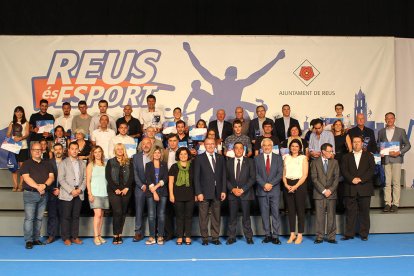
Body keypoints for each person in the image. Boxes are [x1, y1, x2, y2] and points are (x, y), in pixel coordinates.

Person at [341, 136, 375, 241]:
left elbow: (371, 170)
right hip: (350, 187)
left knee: (364, 212)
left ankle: (364, 234)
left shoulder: (369, 155)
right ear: (351, 143)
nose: (356, 144)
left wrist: (361, 179)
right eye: (354, 142)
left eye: (358, 142)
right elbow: (344, 170)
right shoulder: (346, 157)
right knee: (350, 212)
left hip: (364, 188)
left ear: (362, 143)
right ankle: (349, 234)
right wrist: (352, 179)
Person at [21, 142, 54, 249]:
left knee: (39, 218)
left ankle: (36, 239)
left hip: (44, 194)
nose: (37, 151)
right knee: (29, 218)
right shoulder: (26, 163)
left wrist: (44, 186)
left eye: (39, 149)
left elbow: (51, 177)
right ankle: (29, 240)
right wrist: (38, 187)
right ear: (31, 151)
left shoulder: (48, 163)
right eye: (35, 150)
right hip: (30, 194)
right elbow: (26, 178)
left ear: (42, 150)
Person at [194, 137, 227, 246]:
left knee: (216, 216)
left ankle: (215, 237)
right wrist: (198, 192)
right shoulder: (199, 158)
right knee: (203, 216)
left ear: (215, 145)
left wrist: (223, 190)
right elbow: (196, 177)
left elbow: (223, 175)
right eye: (208, 144)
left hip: (217, 192)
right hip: (203, 192)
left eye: (212, 144)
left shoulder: (221, 158)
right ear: (204, 145)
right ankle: (204, 238)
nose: (210, 146)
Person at [377, 112, 411, 212]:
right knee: (387, 182)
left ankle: (395, 204)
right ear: (385, 119)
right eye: (387, 118)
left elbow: (408, 145)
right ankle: (387, 203)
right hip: (386, 159)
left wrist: (399, 152)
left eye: (391, 118)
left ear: (394, 119)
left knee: (396, 182)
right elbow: (378, 144)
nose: (389, 120)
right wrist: (380, 151)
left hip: (397, 159)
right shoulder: (381, 131)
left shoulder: (401, 131)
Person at [255, 138, 283, 244]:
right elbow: (255, 174)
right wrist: (264, 184)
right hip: (262, 190)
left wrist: (270, 184)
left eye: (269, 145)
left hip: (274, 190)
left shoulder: (278, 158)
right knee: (264, 213)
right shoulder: (256, 159)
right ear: (262, 147)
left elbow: (280, 174)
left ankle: (275, 236)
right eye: (264, 145)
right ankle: (267, 234)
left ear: (272, 147)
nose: (267, 147)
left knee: (275, 213)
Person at [226, 142, 256, 245]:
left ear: (243, 150)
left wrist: (243, 189)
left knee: (246, 217)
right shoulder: (228, 162)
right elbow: (225, 179)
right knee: (232, 217)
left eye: (240, 148)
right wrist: (232, 189)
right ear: (233, 150)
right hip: (232, 194)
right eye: (236, 148)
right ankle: (231, 237)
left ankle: (248, 236)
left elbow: (252, 178)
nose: (238, 150)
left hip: (246, 193)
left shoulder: (250, 161)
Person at [58, 141, 86, 246]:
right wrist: (71, 190)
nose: (74, 151)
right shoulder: (63, 163)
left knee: (76, 216)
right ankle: (66, 237)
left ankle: (75, 236)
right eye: (72, 149)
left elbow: (85, 179)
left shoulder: (83, 163)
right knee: (66, 216)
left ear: (78, 150)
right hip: (67, 194)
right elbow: (61, 179)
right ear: (69, 150)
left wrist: (80, 189)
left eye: (76, 149)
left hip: (79, 193)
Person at [311, 143, 339, 244]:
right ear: (323, 152)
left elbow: (336, 178)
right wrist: (323, 190)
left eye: (332, 151)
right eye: (330, 151)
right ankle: (319, 237)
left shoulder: (335, 162)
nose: (331, 153)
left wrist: (330, 190)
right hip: (319, 194)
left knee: (331, 215)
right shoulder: (314, 163)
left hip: (332, 193)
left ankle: (332, 237)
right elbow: (314, 179)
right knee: (319, 216)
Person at [106, 143, 134, 245]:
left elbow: (132, 176)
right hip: (114, 191)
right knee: (117, 212)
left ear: (124, 150)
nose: (119, 150)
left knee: (123, 212)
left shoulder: (129, 161)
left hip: (126, 190)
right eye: (117, 149)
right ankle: (115, 235)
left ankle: (120, 234)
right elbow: (108, 177)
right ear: (115, 150)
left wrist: (127, 187)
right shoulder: (110, 162)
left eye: (121, 149)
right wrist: (115, 189)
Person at [282, 139, 309, 244]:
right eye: (292, 146)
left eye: (296, 146)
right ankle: (292, 234)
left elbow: (305, 175)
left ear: (300, 148)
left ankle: (300, 234)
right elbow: (283, 174)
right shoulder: (286, 158)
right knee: (291, 211)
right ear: (289, 147)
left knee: (300, 210)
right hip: (288, 185)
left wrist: (296, 186)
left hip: (300, 185)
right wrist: (286, 184)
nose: (294, 148)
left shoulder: (303, 158)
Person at [168, 147, 195, 245]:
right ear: (178, 156)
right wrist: (171, 194)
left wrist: (196, 195)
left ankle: (187, 236)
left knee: (189, 216)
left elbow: (195, 181)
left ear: (188, 156)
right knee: (179, 216)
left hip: (190, 195)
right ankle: (179, 236)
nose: (183, 156)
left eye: (185, 154)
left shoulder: (192, 166)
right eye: (181, 154)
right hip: (177, 195)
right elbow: (170, 182)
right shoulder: (174, 167)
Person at [145, 146, 169, 245]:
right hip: (151, 193)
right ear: (152, 154)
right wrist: (154, 192)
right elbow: (148, 179)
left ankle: (160, 236)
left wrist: (157, 186)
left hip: (162, 192)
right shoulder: (148, 165)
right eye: (155, 153)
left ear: (161, 154)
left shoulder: (164, 164)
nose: (157, 154)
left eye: (159, 153)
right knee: (151, 215)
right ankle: (151, 237)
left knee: (161, 215)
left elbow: (165, 178)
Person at [86, 146, 109, 246]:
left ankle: (99, 235)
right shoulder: (91, 165)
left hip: (105, 193)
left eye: (99, 152)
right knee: (98, 214)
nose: (98, 154)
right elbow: (88, 181)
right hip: (95, 193)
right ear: (93, 154)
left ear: (102, 153)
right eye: (95, 152)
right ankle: (95, 236)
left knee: (102, 215)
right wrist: (89, 193)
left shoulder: (106, 164)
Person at [132, 137, 153, 242]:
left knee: (152, 211)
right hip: (140, 188)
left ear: (151, 144)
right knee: (139, 210)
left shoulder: (155, 155)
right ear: (141, 145)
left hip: (152, 188)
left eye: (148, 143)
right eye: (143, 143)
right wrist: (141, 185)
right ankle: (138, 232)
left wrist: (150, 186)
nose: (145, 145)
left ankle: (153, 233)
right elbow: (134, 174)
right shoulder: (135, 157)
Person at [6, 106, 29, 192]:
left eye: (20, 112)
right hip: (13, 147)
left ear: (23, 113)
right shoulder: (12, 123)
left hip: (23, 147)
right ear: (15, 113)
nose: (19, 113)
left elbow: (27, 134)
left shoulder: (26, 123)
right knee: (14, 166)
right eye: (17, 112)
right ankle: (15, 185)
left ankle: (21, 185)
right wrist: (11, 136)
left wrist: (20, 138)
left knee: (22, 167)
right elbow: (8, 134)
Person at [332, 119, 352, 213]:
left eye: (340, 124)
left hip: (343, 160)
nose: (338, 126)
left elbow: (350, 150)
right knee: (333, 183)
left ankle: (341, 205)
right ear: (333, 126)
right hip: (332, 160)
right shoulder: (330, 136)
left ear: (342, 126)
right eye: (336, 124)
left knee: (341, 184)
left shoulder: (345, 135)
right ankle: (334, 206)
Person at [46, 143, 64, 244]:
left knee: (65, 215)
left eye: (59, 149)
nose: (58, 151)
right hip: (51, 193)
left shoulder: (67, 161)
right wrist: (53, 189)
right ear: (53, 151)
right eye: (56, 149)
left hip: (65, 193)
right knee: (52, 215)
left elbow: (69, 178)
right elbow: (46, 178)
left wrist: (61, 189)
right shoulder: (48, 163)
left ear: (63, 150)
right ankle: (51, 236)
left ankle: (65, 236)